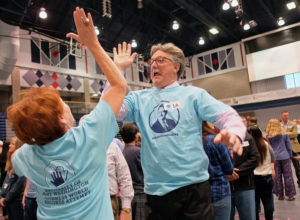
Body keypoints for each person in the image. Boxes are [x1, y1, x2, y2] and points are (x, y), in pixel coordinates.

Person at [102, 41, 246, 219]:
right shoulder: (139, 99)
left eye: (160, 60)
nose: (153, 64)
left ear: (176, 66)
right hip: (156, 194)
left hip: (194, 191)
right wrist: (117, 71)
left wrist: (234, 132)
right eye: (151, 61)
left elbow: (227, 116)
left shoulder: (193, 95)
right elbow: (107, 111)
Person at [7, 7, 127, 219]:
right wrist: (92, 44)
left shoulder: (27, 156)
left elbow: (14, 161)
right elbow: (119, 85)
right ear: (62, 119)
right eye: (63, 103)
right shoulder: (88, 137)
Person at [202, 121, 234, 220]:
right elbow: (229, 168)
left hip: (199, 196)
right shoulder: (215, 140)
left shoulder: (188, 143)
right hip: (219, 192)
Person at [229, 116, 259, 220]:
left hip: (245, 186)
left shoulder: (248, 138)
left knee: (248, 217)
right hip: (225, 188)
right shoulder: (221, 140)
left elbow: (254, 159)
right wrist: (227, 172)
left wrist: (236, 172)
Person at [248, 126, 275, 220]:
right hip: (266, 176)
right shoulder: (266, 144)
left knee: (255, 204)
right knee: (268, 202)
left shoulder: (249, 146)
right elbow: (273, 157)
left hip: (253, 177)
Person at [266, 119, 296, 201]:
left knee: (277, 178)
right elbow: (289, 146)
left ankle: (280, 195)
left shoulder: (268, 136)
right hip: (285, 157)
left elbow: (269, 149)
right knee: (288, 176)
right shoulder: (284, 134)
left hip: (275, 158)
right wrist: (290, 156)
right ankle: (290, 195)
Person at [121, 123, 145, 220]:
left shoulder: (123, 151)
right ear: (135, 136)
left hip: (129, 191)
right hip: (140, 191)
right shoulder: (137, 151)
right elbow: (146, 167)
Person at [0, 137, 26, 220]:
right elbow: (7, 181)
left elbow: (19, 184)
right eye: (10, 143)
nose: (9, 146)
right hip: (8, 200)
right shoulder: (10, 162)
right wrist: (2, 196)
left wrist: (6, 198)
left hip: (16, 201)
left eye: (12, 144)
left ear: (18, 146)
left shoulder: (20, 162)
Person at [280, 111, 300, 188]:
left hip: (294, 148)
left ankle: (299, 182)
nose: (286, 117)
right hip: (283, 148)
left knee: (297, 166)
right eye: (285, 116)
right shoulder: (279, 125)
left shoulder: (293, 124)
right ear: (281, 116)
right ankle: (286, 183)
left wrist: (284, 134)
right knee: (284, 168)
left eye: (287, 115)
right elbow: (279, 135)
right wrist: (289, 133)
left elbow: (295, 134)